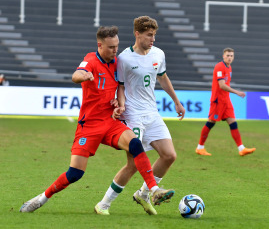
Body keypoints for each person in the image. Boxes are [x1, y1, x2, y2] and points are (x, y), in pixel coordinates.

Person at [19, 26, 175, 213]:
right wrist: (83, 76)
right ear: (99, 45)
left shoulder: (118, 62)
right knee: (75, 173)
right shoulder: (91, 60)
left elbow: (121, 86)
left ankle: (153, 189)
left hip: (110, 122)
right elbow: (76, 75)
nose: (115, 50)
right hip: (89, 125)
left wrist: (119, 102)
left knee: (135, 144)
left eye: (116, 46)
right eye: (110, 47)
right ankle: (41, 199)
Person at [95, 16, 185, 216]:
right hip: (133, 115)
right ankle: (104, 204)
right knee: (134, 163)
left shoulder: (159, 54)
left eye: (154, 35)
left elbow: (162, 77)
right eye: (149, 35)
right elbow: (119, 85)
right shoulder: (125, 58)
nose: (153, 39)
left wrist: (176, 101)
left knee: (169, 155)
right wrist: (120, 104)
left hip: (152, 113)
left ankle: (143, 193)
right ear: (137, 34)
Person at [195, 47, 256, 156]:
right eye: (227, 55)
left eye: (231, 56)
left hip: (226, 100)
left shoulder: (229, 67)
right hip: (217, 100)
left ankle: (241, 148)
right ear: (223, 56)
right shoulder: (219, 67)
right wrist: (237, 92)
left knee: (233, 123)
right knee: (210, 122)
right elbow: (222, 85)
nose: (229, 57)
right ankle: (200, 147)